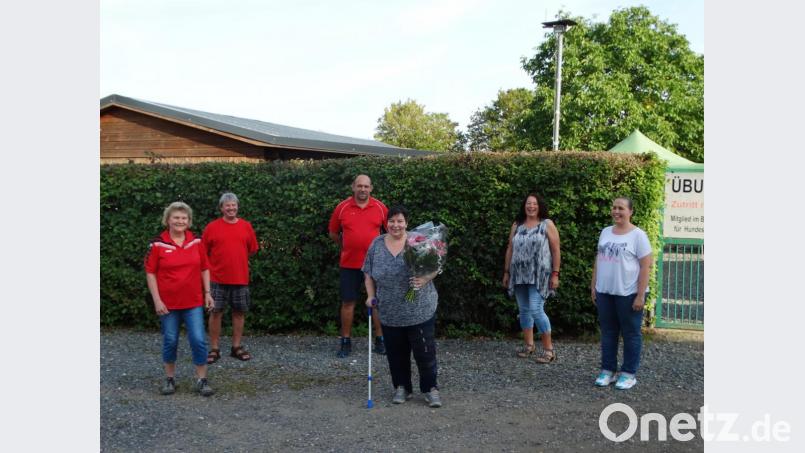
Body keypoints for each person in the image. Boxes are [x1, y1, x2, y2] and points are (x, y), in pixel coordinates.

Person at [362, 205, 443, 408]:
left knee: (425, 353)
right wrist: (370, 296)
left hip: (419, 309)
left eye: (400, 221)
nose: (395, 225)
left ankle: (430, 388)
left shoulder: (418, 241)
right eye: (392, 221)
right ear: (386, 223)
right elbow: (367, 273)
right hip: (389, 311)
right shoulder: (377, 244)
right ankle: (402, 387)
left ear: (406, 223)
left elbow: (436, 267)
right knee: (396, 354)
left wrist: (424, 279)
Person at [145, 201, 215, 396]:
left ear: (189, 221)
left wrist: (208, 293)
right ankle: (169, 379)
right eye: (176, 217)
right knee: (170, 340)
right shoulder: (157, 243)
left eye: (184, 218)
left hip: (193, 302)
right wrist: (157, 300)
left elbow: (204, 268)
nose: (180, 221)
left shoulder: (197, 241)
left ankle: (202, 380)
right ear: (168, 220)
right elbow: (150, 273)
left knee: (199, 340)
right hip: (168, 304)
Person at [591, 197, 653, 390]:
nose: (616, 211)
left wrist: (640, 295)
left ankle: (628, 374)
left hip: (628, 293)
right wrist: (594, 286)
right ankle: (607, 371)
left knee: (631, 334)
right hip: (605, 292)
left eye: (621, 208)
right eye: (614, 207)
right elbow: (599, 259)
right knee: (608, 333)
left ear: (630, 212)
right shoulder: (605, 232)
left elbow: (645, 266)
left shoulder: (638, 236)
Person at [328, 174, 387, 358]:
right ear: (353, 187)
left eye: (366, 186)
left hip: (375, 265)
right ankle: (345, 341)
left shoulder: (380, 207)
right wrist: (347, 246)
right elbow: (333, 233)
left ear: (371, 188)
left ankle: (380, 340)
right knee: (347, 302)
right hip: (349, 264)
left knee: (377, 302)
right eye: (359, 186)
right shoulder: (342, 207)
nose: (363, 189)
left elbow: (391, 231)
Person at [503, 193, 561, 363]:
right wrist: (506, 272)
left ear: (539, 206)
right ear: (524, 206)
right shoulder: (517, 225)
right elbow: (510, 249)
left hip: (540, 275)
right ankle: (529, 346)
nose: (531, 207)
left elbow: (556, 249)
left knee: (536, 309)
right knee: (524, 311)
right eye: (528, 203)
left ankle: (549, 350)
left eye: (534, 204)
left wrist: (555, 273)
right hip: (519, 274)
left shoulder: (547, 224)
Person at [202, 192, 259, 364]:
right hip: (216, 278)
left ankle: (236, 347)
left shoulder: (246, 226)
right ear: (221, 208)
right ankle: (214, 348)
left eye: (233, 205)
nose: (231, 208)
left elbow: (252, 249)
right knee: (215, 313)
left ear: (237, 207)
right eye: (227, 205)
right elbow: (203, 252)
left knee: (239, 313)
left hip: (240, 278)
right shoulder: (211, 227)